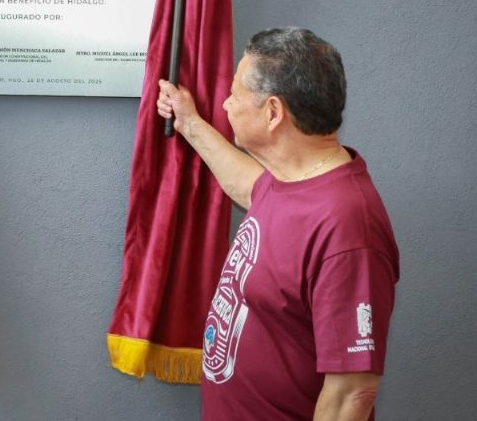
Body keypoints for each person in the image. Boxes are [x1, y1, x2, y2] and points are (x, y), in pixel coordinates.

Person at [157, 28, 399, 420]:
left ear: (273, 112)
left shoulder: (349, 229)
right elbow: (249, 186)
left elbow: (350, 395)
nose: (226, 104)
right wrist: (189, 123)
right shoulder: (291, 179)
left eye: (235, 95)